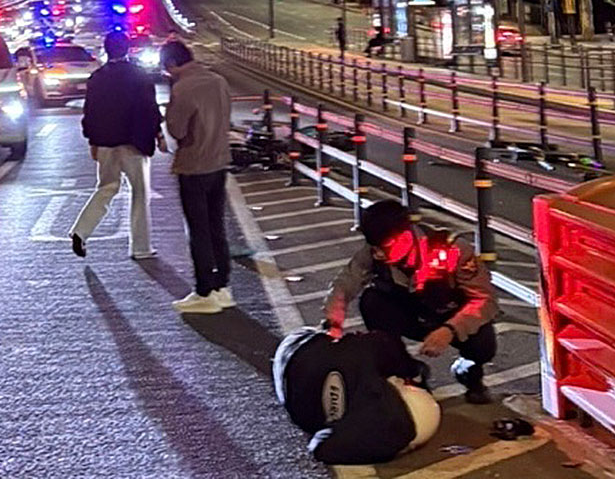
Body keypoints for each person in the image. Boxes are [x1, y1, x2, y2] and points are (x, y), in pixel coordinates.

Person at [323, 199, 499, 403]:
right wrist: (333, 324)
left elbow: (485, 299)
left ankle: (469, 372)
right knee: (371, 301)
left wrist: (449, 330)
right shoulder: (374, 253)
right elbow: (345, 283)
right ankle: (410, 372)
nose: (379, 254)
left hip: (450, 317)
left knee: (483, 344)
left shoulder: (452, 249)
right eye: (374, 248)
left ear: (406, 237)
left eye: (385, 247)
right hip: (412, 315)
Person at [273, 326, 440, 465]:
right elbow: (321, 448)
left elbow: (322, 450)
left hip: (297, 346)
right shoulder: (381, 429)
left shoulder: (371, 349)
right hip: (299, 407)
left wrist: (412, 371)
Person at [69, 31, 164, 260]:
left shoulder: (97, 77)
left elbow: (89, 111)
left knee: (106, 187)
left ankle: (81, 231)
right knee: (140, 193)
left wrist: (92, 139)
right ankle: (141, 247)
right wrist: (158, 134)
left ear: (106, 50)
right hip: (134, 142)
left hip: (105, 143)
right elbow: (149, 108)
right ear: (127, 49)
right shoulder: (139, 75)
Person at [161, 40, 233, 314]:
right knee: (216, 225)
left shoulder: (183, 88)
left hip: (194, 166)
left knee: (198, 229)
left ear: (171, 65)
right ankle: (222, 286)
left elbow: (177, 131)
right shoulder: (218, 81)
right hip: (219, 161)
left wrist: (169, 107)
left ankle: (204, 291)